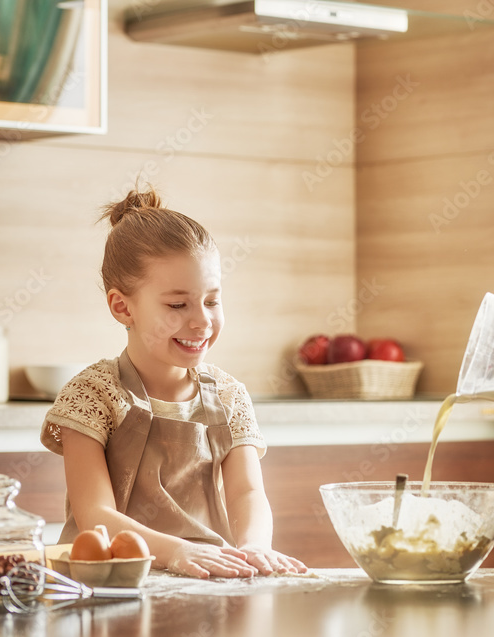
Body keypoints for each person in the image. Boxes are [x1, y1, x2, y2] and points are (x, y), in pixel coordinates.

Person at [40, 188, 306, 578]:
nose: (201, 321)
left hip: (207, 577)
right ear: (122, 306)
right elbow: (95, 515)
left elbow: (247, 492)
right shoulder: (93, 394)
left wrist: (254, 545)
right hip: (110, 581)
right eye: (178, 305)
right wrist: (174, 551)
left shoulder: (229, 396)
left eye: (212, 301)